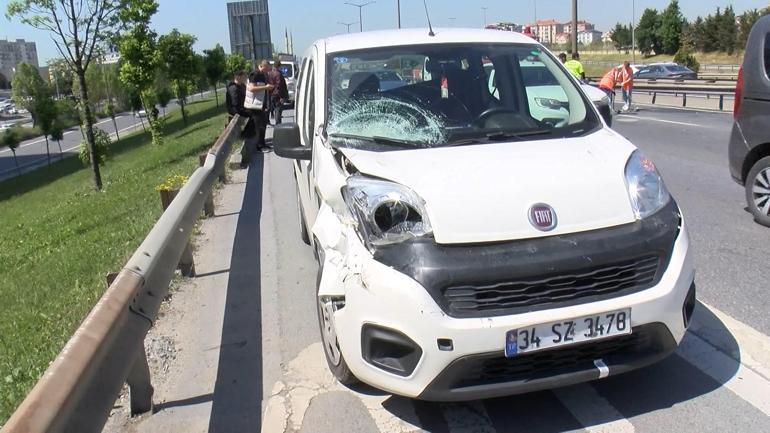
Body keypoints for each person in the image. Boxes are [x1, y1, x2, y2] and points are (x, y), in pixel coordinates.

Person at [246, 60, 274, 155]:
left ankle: (263, 143)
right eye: (266, 68)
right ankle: (259, 146)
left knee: (263, 125)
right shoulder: (254, 74)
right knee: (259, 126)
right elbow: (252, 88)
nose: (267, 70)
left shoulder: (263, 75)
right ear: (261, 66)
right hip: (255, 105)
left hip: (262, 104)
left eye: (268, 68)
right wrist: (266, 87)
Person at [268, 60, 289, 125]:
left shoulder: (270, 73)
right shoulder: (278, 74)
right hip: (277, 95)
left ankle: (277, 123)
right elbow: (278, 86)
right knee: (278, 110)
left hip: (271, 94)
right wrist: (281, 97)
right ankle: (278, 125)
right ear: (279, 66)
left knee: (276, 109)